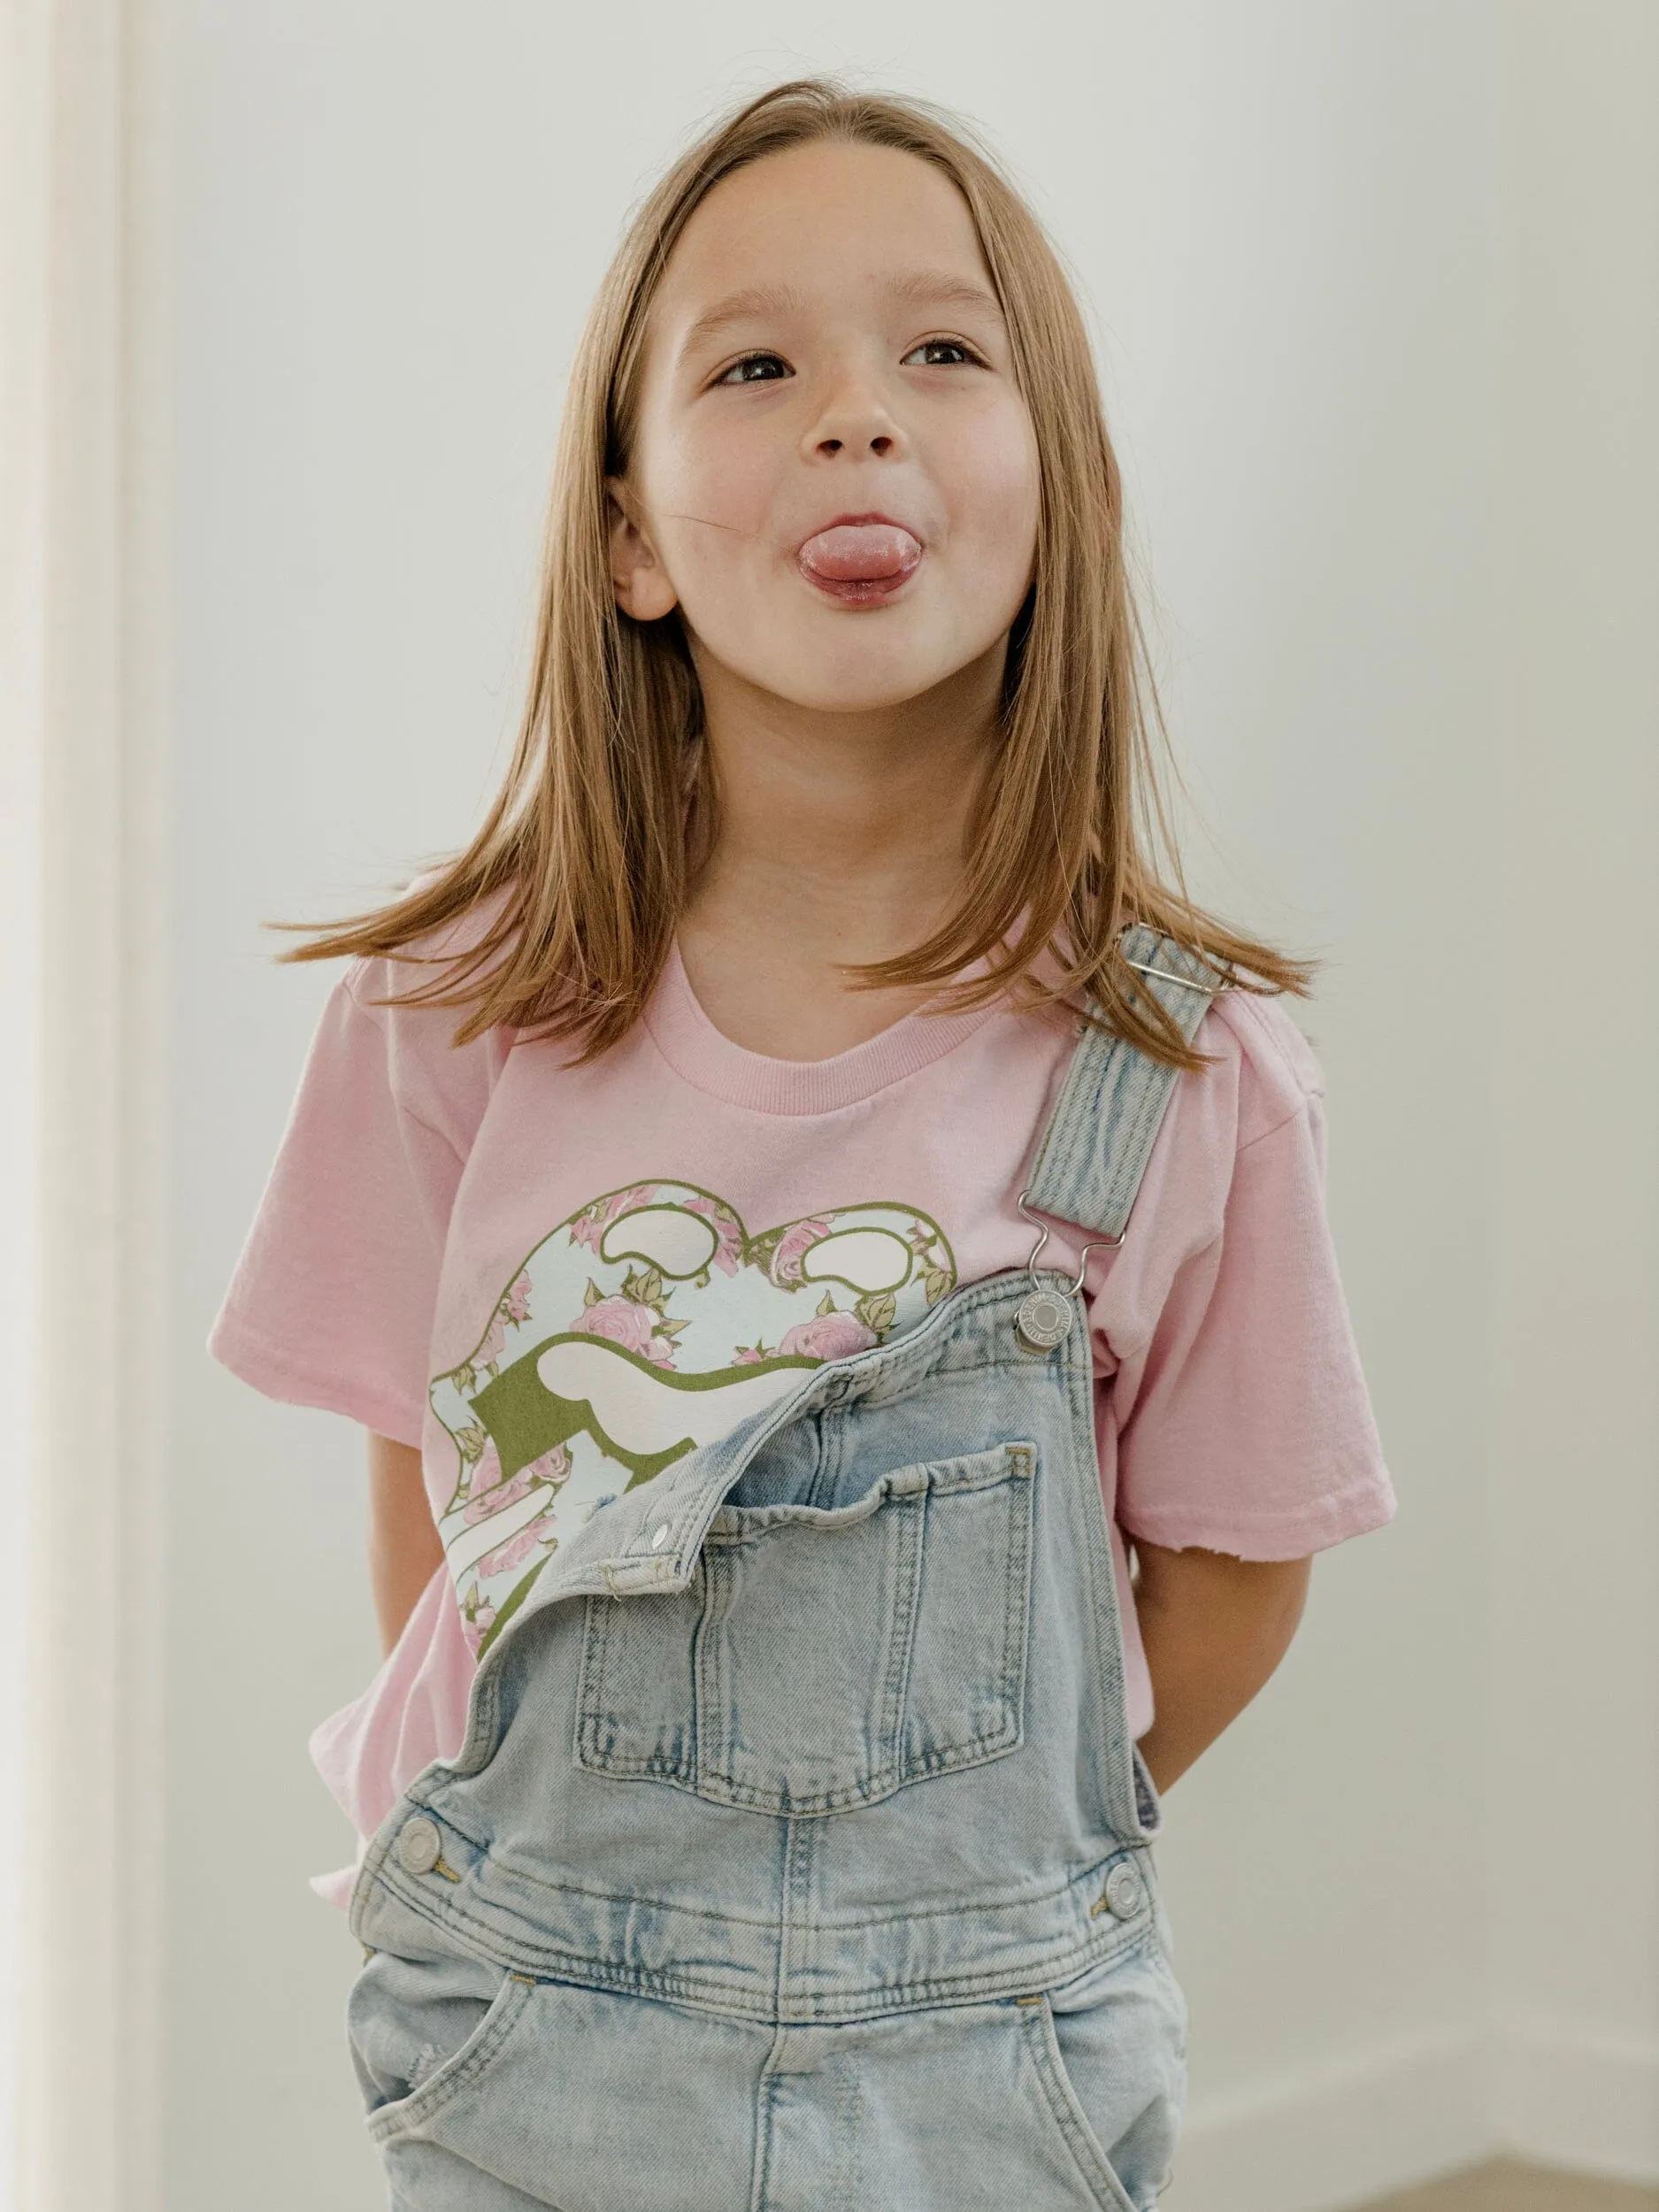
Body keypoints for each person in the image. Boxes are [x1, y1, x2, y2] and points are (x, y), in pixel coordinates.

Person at [208, 76, 1395, 2210]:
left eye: (943, 352)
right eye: (756, 366)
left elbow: (1225, 1578)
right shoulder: (449, 1018)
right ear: (634, 531)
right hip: (531, 2047)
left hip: (989, 2069)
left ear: (1061, 488)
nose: (858, 415)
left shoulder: (1176, 1068)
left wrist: (955, 1896)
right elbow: (439, 1507)